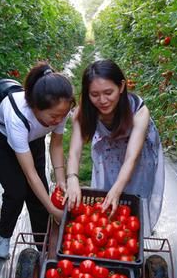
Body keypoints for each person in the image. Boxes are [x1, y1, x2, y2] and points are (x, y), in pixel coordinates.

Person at [0, 62, 74, 259]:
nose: (59, 120)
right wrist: (53, 209)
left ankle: (43, 245)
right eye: (53, 116)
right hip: (1, 142)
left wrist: (61, 180)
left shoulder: (59, 109)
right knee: (17, 192)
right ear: (34, 106)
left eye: (63, 115)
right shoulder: (18, 117)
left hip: (33, 139)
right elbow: (30, 174)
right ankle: (2, 237)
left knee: (40, 192)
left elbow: (56, 145)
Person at [65, 59, 164, 233]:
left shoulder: (139, 111)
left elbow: (132, 157)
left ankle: (133, 229)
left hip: (138, 151)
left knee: (133, 189)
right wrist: (72, 178)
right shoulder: (83, 112)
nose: (102, 100)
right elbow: (74, 151)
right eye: (94, 95)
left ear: (122, 86)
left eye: (108, 92)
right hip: (111, 146)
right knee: (109, 184)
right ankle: (112, 228)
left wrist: (117, 190)